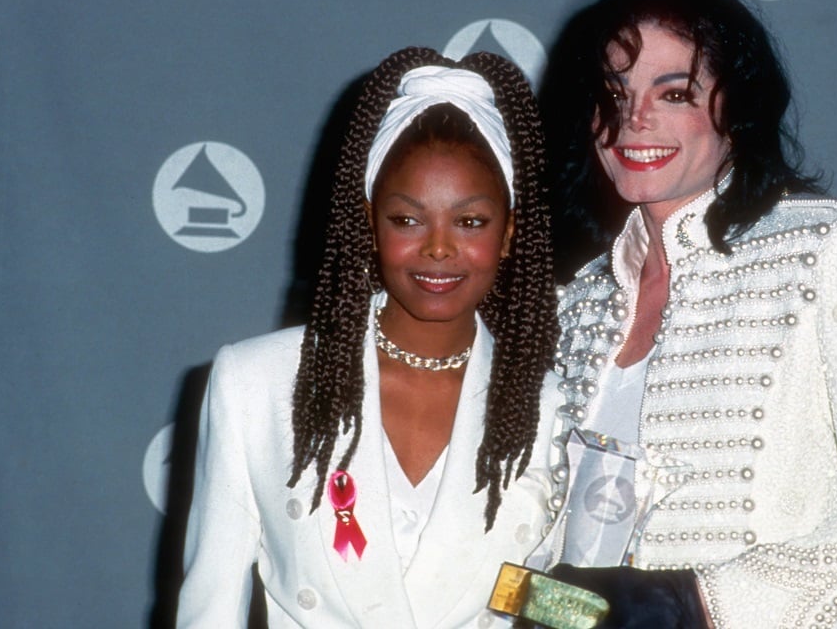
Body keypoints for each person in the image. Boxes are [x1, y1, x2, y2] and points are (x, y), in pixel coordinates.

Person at [538, 0, 837, 629]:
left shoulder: (833, 249)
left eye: (675, 92)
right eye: (614, 92)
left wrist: (704, 606)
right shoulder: (575, 302)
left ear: (737, 111)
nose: (634, 120)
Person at [177, 47, 560, 628]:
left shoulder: (551, 405)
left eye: (471, 221)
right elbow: (209, 609)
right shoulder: (258, 383)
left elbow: (551, 606)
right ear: (368, 223)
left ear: (508, 233)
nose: (438, 247)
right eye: (407, 219)